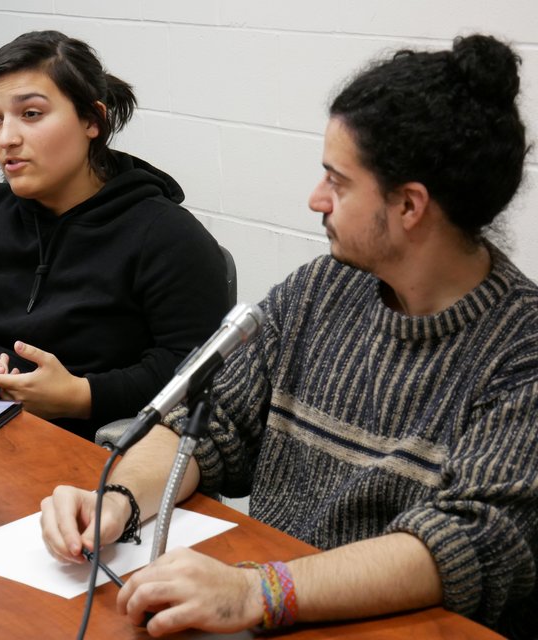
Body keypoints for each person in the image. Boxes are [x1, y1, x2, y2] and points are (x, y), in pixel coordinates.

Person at [40, 34, 538, 638]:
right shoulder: (322, 288)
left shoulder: (521, 348)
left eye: (338, 181)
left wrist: (258, 590)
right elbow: (209, 422)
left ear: (409, 206)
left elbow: (466, 540)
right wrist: (116, 501)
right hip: (270, 604)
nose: (315, 199)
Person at [0, 31, 229, 440]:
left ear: (92, 119)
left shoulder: (166, 236)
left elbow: (199, 371)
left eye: (31, 114)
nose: (6, 139)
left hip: (85, 455)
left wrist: (83, 396)